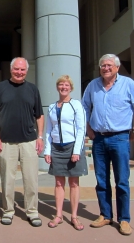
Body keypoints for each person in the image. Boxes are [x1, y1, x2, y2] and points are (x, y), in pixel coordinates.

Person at [82, 54, 133, 236]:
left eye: (109, 65)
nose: (106, 68)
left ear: (117, 68)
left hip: (120, 138)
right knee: (102, 181)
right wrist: (88, 128)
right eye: (103, 65)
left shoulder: (128, 84)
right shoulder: (93, 86)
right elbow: (84, 107)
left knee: (121, 181)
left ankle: (124, 219)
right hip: (99, 139)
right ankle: (105, 215)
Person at [0, 57, 44, 227]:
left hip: (29, 141)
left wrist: (40, 136)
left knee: (31, 179)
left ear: (26, 71)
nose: (19, 72)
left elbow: (39, 115)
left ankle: (32, 211)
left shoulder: (32, 89)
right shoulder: (0, 88)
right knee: (7, 179)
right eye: (16, 69)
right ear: (11, 69)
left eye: (22, 70)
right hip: (6, 142)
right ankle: (8, 211)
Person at [44, 75, 87, 231]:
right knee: (58, 183)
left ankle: (74, 216)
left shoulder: (76, 105)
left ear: (71, 87)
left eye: (66, 85)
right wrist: (47, 151)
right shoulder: (52, 107)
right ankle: (59, 215)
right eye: (61, 84)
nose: (63, 87)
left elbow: (81, 129)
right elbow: (48, 130)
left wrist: (77, 151)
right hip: (56, 148)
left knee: (74, 183)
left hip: (72, 147)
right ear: (57, 87)